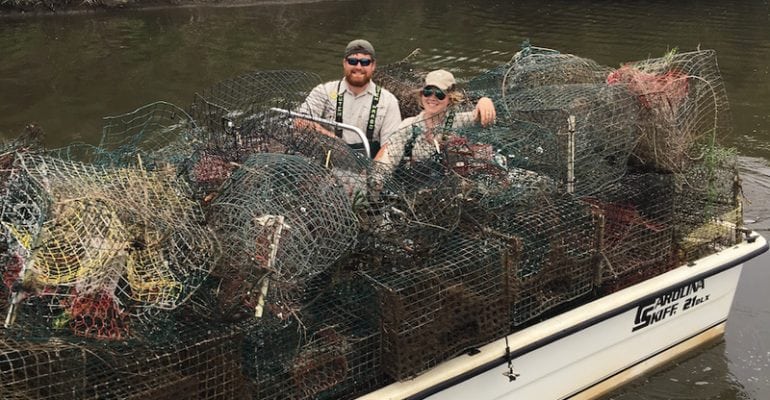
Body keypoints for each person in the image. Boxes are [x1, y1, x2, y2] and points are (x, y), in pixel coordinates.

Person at [296, 39, 402, 158]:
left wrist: (374, 173)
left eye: (365, 62)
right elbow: (300, 122)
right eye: (352, 61)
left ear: (373, 66)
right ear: (344, 63)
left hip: (367, 168)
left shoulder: (388, 101)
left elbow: (391, 146)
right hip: (329, 164)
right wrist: (336, 142)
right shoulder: (324, 91)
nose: (358, 67)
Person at [373, 69, 496, 170]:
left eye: (439, 94)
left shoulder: (460, 121)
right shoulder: (408, 125)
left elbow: (484, 118)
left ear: (450, 98)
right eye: (428, 92)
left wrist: (485, 101)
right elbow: (389, 158)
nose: (432, 98)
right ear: (421, 95)